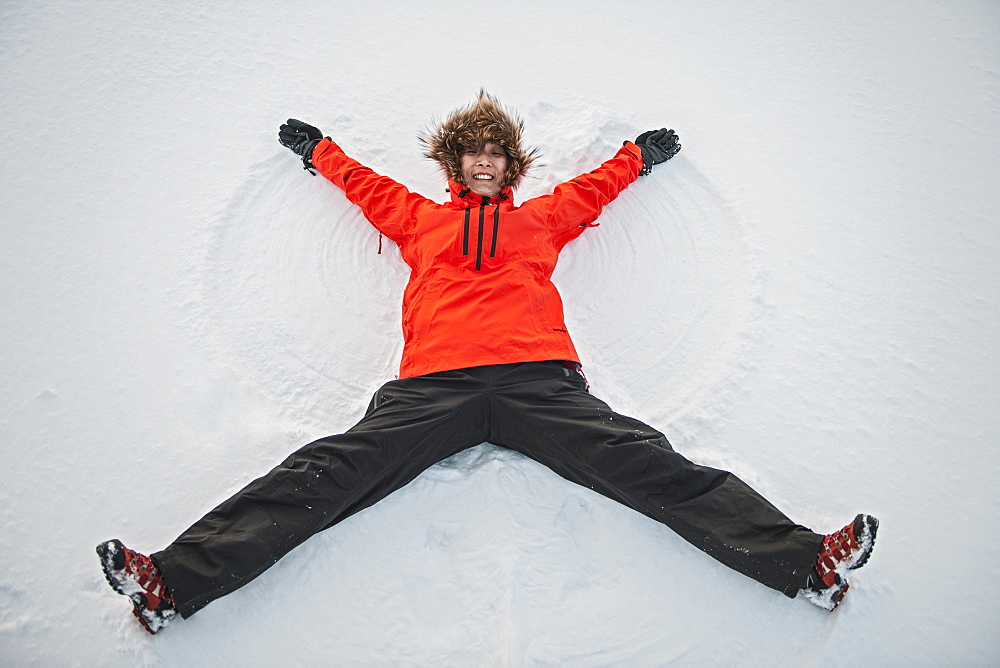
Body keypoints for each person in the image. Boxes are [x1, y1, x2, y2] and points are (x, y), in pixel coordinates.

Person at [97, 92, 878, 635]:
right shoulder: (420, 220)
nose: (483, 161)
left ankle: (807, 564)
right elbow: (363, 187)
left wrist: (637, 156)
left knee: (648, 464)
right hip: (433, 386)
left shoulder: (540, 219)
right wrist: (319, 153)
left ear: (510, 165)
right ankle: (174, 581)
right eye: (471, 151)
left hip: (539, 379)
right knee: (328, 469)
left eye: (495, 152)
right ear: (452, 162)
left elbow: (594, 190)